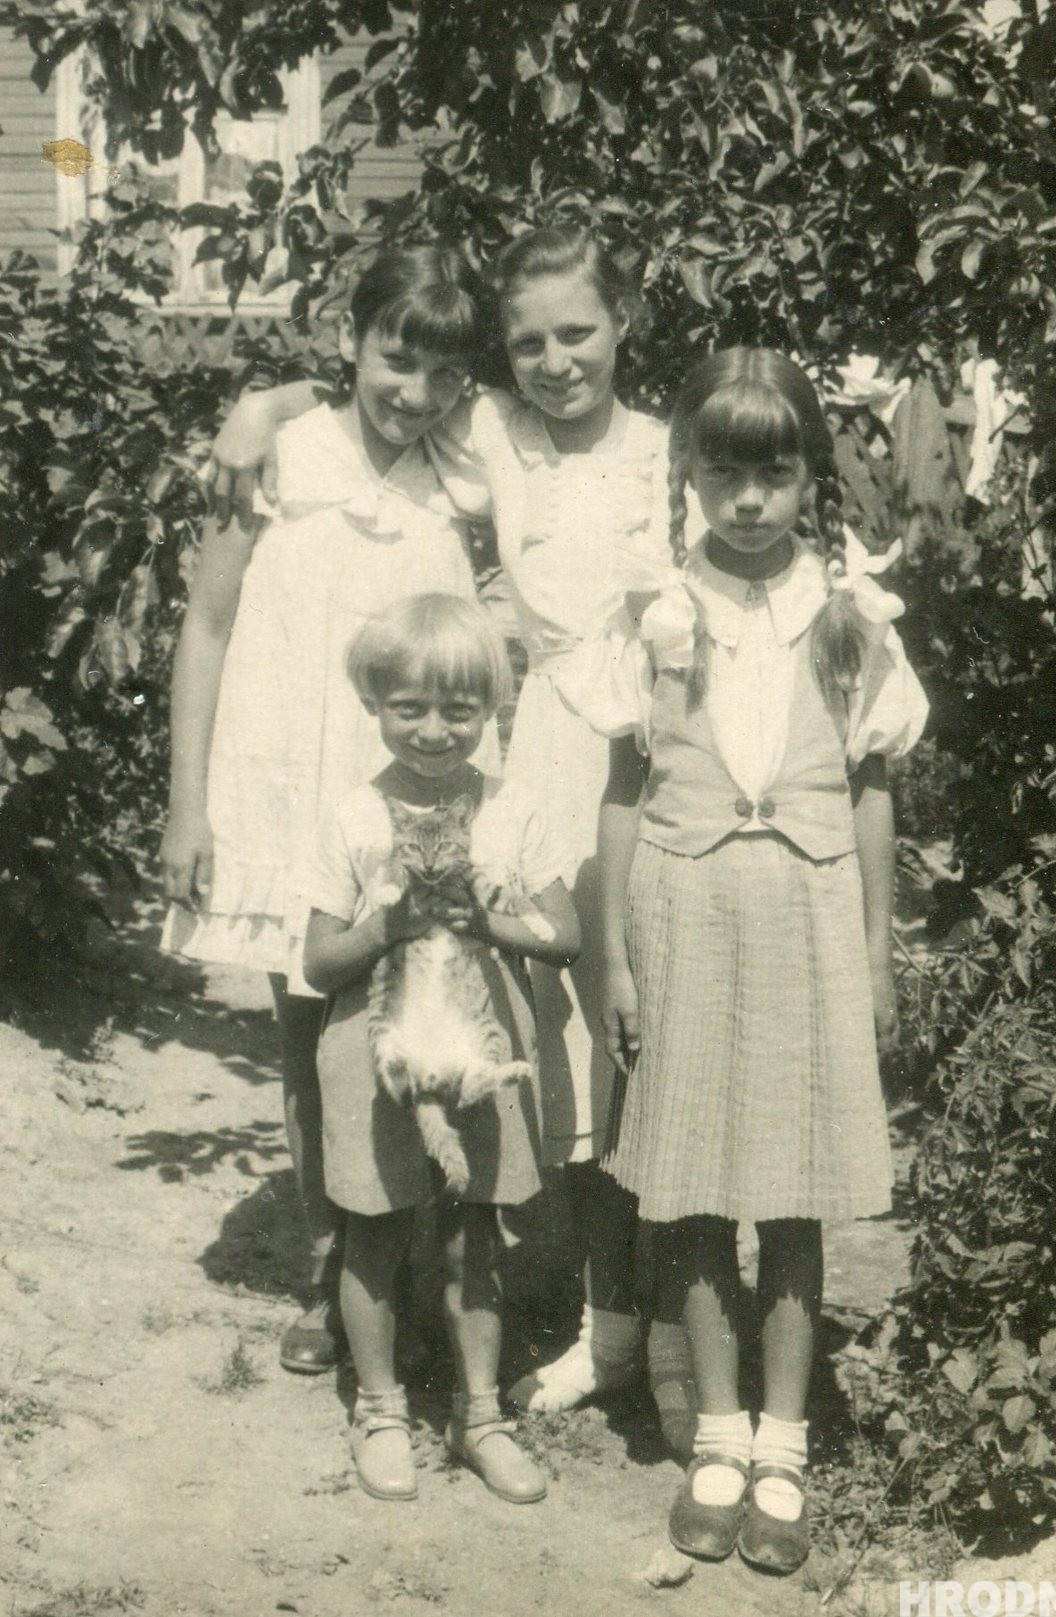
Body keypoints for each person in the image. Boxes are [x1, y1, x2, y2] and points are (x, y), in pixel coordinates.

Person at [208, 225, 697, 1447]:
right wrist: (255, 402)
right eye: (525, 341)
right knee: (415, 1020)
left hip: (578, 757)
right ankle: (409, 1275)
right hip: (418, 757)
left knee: (586, 1012)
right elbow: (359, 379)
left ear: (624, 319)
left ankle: (627, 1301)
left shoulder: (587, 451)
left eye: (574, 332)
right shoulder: (417, 440)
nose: (550, 359)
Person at [558, 348, 929, 1575]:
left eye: (775, 474)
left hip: (813, 915)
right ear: (690, 477)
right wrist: (611, 959)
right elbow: (620, 797)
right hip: (686, 910)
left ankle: (784, 1446)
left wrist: (877, 959)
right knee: (700, 1192)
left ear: (807, 476)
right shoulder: (657, 616)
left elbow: (873, 796)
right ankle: (715, 1440)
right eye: (726, 474)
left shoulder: (844, 612)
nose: (751, 500)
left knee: (796, 1189)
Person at [161, 244, 497, 1375]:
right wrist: (184, 811)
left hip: (404, 792)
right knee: (311, 1047)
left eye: (441, 377)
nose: (414, 394)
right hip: (279, 794)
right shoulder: (276, 461)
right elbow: (204, 630)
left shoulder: (453, 474)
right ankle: (328, 1269)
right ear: (352, 341)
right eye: (394, 362)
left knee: (423, 1026)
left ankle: (422, 1280)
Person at [302, 593, 579, 1504]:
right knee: (374, 1230)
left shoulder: (514, 807)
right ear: (375, 703)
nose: (433, 730)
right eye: (409, 707)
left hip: (478, 1046)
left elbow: (564, 933)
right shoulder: (351, 814)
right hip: (377, 1049)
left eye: (459, 710)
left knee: (475, 1242)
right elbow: (316, 957)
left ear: (494, 710)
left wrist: (489, 919)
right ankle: (381, 1408)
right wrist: (387, 926)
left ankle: (478, 1415)